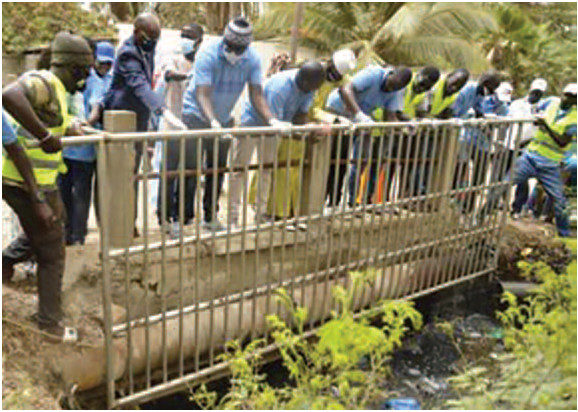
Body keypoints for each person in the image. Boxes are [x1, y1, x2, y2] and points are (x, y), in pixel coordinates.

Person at [2, 31, 94, 342]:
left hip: (32, 180)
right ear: (73, 68)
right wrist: (44, 135)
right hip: (22, 180)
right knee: (53, 250)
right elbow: (9, 96)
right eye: (84, 72)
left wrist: (69, 127)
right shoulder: (42, 82)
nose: (85, 79)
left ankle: (6, 261)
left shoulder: (56, 91)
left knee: (52, 225)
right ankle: (50, 325)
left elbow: (50, 119)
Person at [181, 17, 280, 232]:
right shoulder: (208, 53)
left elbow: (256, 93)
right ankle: (185, 219)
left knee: (217, 170)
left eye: (239, 49)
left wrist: (271, 119)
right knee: (190, 168)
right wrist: (212, 122)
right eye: (231, 47)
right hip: (196, 114)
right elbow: (202, 93)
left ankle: (210, 217)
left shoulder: (252, 59)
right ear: (225, 41)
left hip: (223, 118)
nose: (234, 52)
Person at [93, 13, 184, 237]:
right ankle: (111, 226)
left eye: (156, 38)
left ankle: (127, 222)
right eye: (149, 38)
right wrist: (162, 110)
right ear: (137, 33)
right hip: (119, 120)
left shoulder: (146, 48)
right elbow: (140, 85)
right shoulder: (127, 54)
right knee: (115, 175)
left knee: (131, 174)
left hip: (138, 121)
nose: (153, 42)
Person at [229, 61, 324, 225]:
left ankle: (261, 213)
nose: (314, 91)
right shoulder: (280, 87)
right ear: (305, 82)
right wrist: (299, 133)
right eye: (313, 87)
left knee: (266, 169)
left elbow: (299, 117)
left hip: (277, 125)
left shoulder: (310, 89)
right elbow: (273, 121)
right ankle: (232, 218)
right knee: (239, 170)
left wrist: (308, 130)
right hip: (253, 123)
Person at [325, 65, 412, 206]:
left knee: (361, 160)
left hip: (363, 120)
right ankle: (331, 203)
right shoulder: (372, 74)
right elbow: (345, 90)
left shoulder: (397, 89)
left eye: (396, 88)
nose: (391, 89)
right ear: (391, 73)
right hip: (340, 110)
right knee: (338, 159)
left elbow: (390, 114)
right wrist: (358, 114)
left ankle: (352, 201)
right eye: (392, 84)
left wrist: (402, 127)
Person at [58, 41, 115, 245]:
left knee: (81, 194)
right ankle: (66, 233)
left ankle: (77, 236)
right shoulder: (81, 79)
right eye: (101, 63)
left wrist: (86, 123)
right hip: (66, 149)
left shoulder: (103, 82)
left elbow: (95, 108)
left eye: (108, 64)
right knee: (64, 192)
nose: (104, 68)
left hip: (85, 149)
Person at [155, 23, 204, 238]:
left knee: (191, 174)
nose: (185, 39)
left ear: (199, 40)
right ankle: (164, 217)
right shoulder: (173, 58)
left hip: (193, 127)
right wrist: (184, 78)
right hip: (173, 125)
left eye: (190, 36)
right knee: (169, 174)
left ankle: (183, 217)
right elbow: (168, 74)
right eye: (183, 35)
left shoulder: (203, 63)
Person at [510, 83, 577, 237]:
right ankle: (480, 217)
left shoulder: (574, 118)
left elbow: (563, 141)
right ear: (563, 93)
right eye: (567, 94)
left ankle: (564, 233)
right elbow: (536, 111)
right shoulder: (551, 104)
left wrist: (545, 126)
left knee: (560, 201)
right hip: (531, 155)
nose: (569, 98)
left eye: (573, 97)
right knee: (504, 183)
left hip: (551, 163)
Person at [452, 71, 502, 213]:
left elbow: (479, 110)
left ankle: (468, 206)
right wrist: (469, 119)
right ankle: (456, 200)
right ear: (485, 83)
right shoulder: (468, 90)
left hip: (480, 140)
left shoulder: (482, 95)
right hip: (463, 135)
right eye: (491, 88)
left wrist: (486, 119)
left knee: (480, 174)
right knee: (461, 167)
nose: (491, 92)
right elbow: (454, 112)